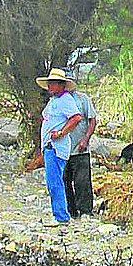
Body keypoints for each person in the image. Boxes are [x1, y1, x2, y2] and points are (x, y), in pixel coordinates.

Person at [33, 68, 84, 226]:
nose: (49, 86)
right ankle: (59, 214)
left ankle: (61, 217)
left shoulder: (65, 100)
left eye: (52, 83)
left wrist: (61, 133)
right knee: (53, 182)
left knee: (55, 182)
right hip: (50, 146)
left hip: (56, 147)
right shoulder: (54, 100)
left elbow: (76, 118)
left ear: (61, 85)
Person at [63, 71, 99, 218]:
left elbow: (92, 120)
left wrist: (86, 139)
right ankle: (70, 212)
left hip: (80, 148)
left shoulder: (83, 99)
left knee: (82, 182)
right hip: (63, 149)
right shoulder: (56, 101)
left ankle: (86, 212)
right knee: (64, 182)